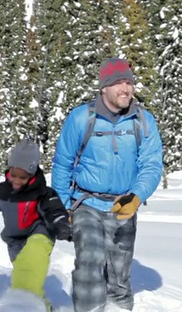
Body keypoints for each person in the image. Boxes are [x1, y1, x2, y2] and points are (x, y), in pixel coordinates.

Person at [51, 58, 163, 312]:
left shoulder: (144, 121)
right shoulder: (81, 118)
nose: (126, 89)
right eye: (119, 83)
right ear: (104, 88)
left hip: (122, 205)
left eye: (129, 83)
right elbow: (62, 165)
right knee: (90, 261)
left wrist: (136, 196)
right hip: (85, 203)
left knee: (119, 274)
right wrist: (62, 208)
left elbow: (151, 165)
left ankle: (120, 308)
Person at [0, 139, 72, 311]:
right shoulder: (0, 192)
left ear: (33, 174)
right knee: (28, 279)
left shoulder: (43, 193)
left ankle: (22, 307)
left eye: (23, 177)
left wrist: (62, 225)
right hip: (15, 241)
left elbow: (54, 211)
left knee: (30, 265)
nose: (17, 181)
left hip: (40, 235)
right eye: (13, 175)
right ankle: (42, 307)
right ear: (9, 169)